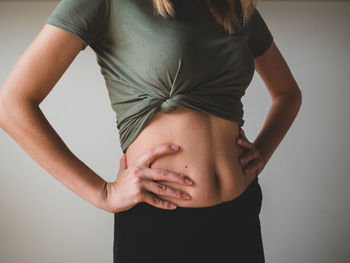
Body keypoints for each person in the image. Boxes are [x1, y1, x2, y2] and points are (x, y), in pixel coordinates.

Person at [0, 0, 302, 262]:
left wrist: (262, 151)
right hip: (158, 220)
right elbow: (11, 105)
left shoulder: (234, 8)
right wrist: (103, 193)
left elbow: (288, 93)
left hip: (239, 214)